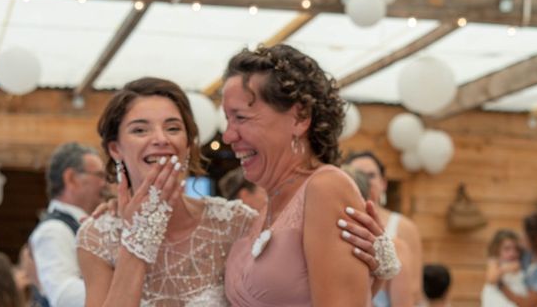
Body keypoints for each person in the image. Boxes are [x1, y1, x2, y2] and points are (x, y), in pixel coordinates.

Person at [78, 74, 391, 306]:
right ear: (116, 149)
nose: (160, 138)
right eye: (140, 129)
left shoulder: (233, 223)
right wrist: (137, 240)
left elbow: (301, 297)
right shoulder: (99, 235)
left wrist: (375, 268)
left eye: (173, 128)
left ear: (187, 145)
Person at [222, 44, 398, 305]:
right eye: (227, 119)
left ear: (300, 117)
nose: (228, 136)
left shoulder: (326, 188)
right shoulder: (264, 211)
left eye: (241, 117)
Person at [30, 142, 107, 307]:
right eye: (99, 175)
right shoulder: (53, 230)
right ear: (71, 178)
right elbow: (64, 296)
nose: (104, 183)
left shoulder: (85, 224)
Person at [347, 150, 424, 304]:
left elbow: (415, 288)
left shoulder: (404, 227)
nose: (366, 181)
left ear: (383, 183)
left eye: (371, 175)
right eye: (359, 175)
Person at [482, 229, 527, 306]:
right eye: (507, 249)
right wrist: (505, 268)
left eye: (516, 249)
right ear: (497, 250)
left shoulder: (522, 264)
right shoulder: (494, 262)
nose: (512, 253)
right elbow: (491, 279)